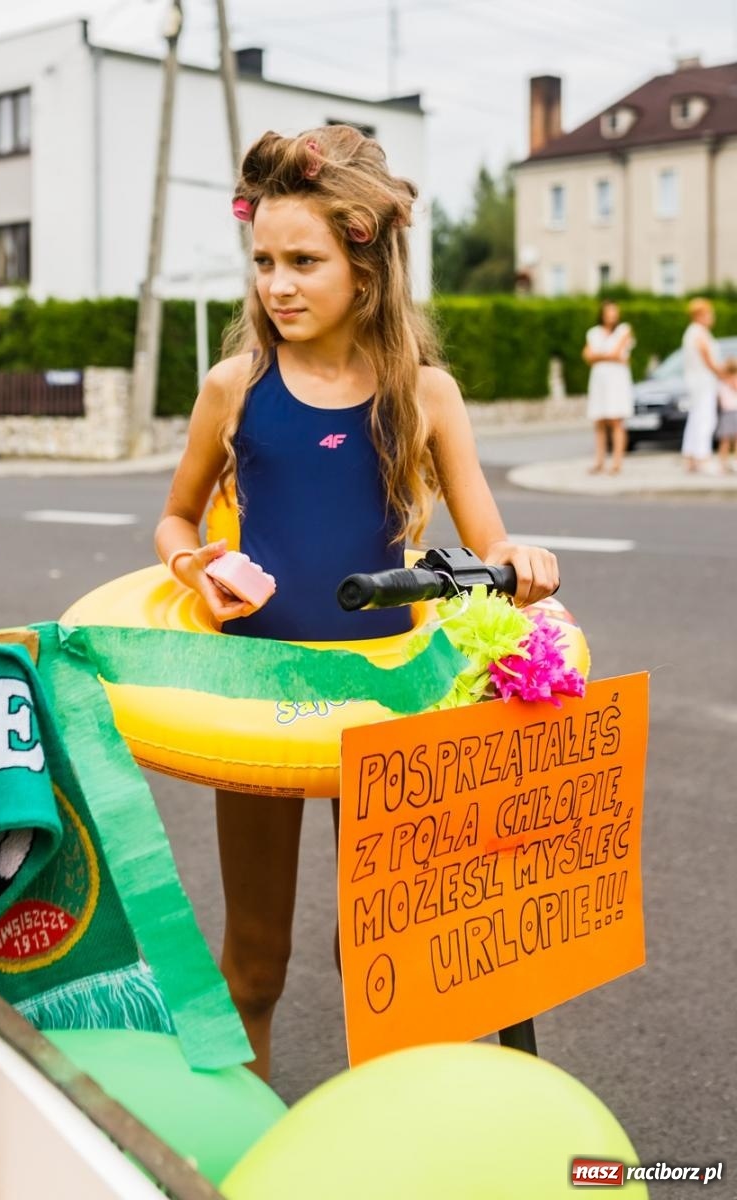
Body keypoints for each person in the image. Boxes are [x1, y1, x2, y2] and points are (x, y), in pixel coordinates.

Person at [155, 125, 559, 1081]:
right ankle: (247, 1152)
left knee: (379, 958)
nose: (278, 285)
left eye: (304, 261)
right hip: (260, 692)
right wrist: (194, 566)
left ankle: (378, 1149)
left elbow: (490, 543)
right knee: (254, 960)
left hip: (386, 703)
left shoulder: (426, 395)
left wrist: (524, 558)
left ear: (364, 270)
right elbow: (174, 519)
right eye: (263, 262)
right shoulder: (235, 387)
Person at [582, 301, 635, 475]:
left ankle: (617, 462)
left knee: (616, 420)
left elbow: (615, 352)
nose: (612, 315)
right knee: (600, 421)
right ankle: (599, 461)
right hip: (599, 382)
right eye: (609, 311)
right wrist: (610, 357)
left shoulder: (624, 330)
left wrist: (600, 356)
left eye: (614, 311)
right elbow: (588, 356)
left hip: (616, 381)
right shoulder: (593, 332)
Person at [681, 297, 728, 473]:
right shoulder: (698, 332)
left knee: (695, 418)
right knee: (705, 419)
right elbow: (708, 360)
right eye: (710, 313)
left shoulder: (692, 332)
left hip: (698, 381)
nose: (712, 317)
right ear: (700, 315)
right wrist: (725, 374)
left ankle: (691, 457)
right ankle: (702, 457)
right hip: (702, 381)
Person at [716, 356, 737, 473]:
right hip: (731, 412)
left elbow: (719, 399)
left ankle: (723, 465)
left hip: (727, 413)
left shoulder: (721, 382)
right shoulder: (728, 382)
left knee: (726, 441)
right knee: (728, 441)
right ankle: (725, 464)